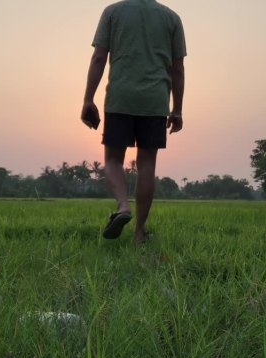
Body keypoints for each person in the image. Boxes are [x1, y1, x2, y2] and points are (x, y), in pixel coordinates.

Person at [81, 0, 186, 243]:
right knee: (147, 164)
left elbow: (99, 57)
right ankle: (139, 233)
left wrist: (88, 98)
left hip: (120, 97)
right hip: (155, 100)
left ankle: (122, 207)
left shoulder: (113, 12)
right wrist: (177, 109)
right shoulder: (171, 18)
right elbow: (178, 68)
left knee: (113, 160)